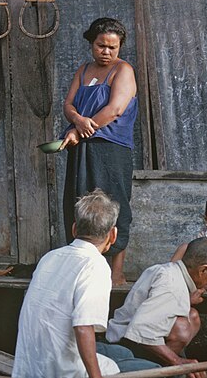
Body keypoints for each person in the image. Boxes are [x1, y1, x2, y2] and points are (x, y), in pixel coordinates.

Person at [13, 189, 128, 378]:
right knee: (148, 368)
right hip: (60, 371)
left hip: (30, 364)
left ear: (75, 229)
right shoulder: (95, 265)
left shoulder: (50, 257)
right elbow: (83, 327)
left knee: (124, 354)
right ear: (113, 235)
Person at [60, 17, 138, 286]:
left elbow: (115, 109)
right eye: (100, 45)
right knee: (80, 203)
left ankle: (115, 273)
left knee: (114, 205)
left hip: (111, 150)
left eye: (112, 48)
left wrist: (79, 127)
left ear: (120, 48)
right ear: (91, 44)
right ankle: (83, 269)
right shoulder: (83, 71)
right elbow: (68, 104)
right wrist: (77, 121)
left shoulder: (123, 70)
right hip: (82, 148)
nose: (106, 52)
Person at [104, 236, 207, 378]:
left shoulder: (168, 270)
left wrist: (186, 300)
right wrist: (177, 361)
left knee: (192, 316)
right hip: (125, 343)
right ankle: (156, 368)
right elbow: (142, 330)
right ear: (203, 270)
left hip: (133, 336)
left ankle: (161, 364)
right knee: (182, 327)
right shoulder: (172, 286)